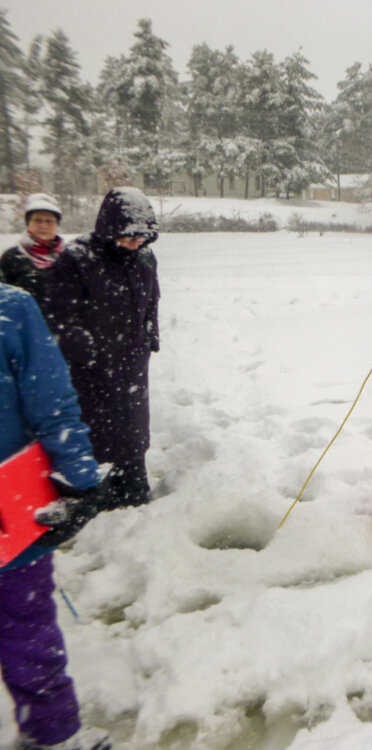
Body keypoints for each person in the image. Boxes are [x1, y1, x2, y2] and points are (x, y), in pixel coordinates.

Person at [0, 282, 112, 750]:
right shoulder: (11, 308)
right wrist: (82, 481)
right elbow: (52, 401)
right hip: (10, 510)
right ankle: (50, 733)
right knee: (26, 624)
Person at [41, 187, 160, 511]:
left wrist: (150, 337)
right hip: (91, 366)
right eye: (129, 236)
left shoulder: (145, 257)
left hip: (133, 360)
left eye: (142, 236)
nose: (136, 243)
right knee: (97, 427)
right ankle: (92, 491)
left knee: (134, 426)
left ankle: (133, 485)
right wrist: (85, 350)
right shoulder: (78, 258)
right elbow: (59, 312)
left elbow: (152, 301)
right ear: (110, 229)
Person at [0, 193, 65, 298]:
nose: (43, 225)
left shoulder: (68, 257)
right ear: (28, 223)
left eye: (49, 221)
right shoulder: (11, 257)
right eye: (37, 220)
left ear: (57, 224)